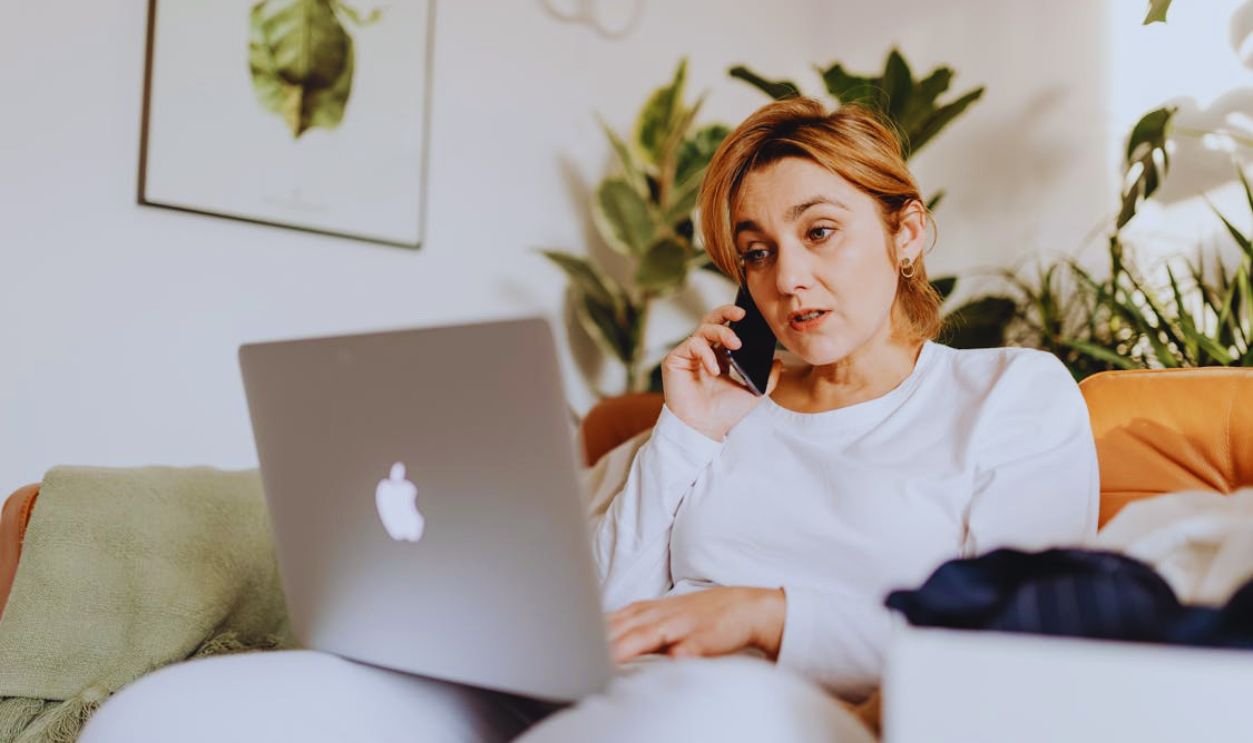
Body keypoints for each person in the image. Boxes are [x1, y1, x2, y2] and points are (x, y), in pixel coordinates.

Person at [79, 97, 1097, 743]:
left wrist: (764, 611)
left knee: (688, 715)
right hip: (587, 691)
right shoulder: (719, 406)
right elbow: (605, 605)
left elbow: (1016, 641)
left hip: (763, 708)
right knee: (168, 715)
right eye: (753, 249)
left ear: (905, 231)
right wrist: (683, 432)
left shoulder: (1008, 394)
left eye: (819, 231)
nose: (787, 276)